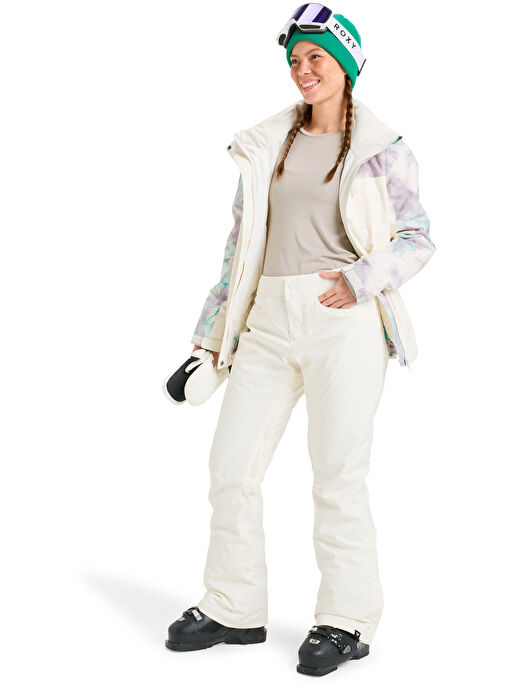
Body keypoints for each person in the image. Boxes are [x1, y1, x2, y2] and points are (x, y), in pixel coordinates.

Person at [165, 6, 436, 677]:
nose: (302, 69)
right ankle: (233, 606)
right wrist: (209, 340)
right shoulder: (265, 146)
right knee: (231, 467)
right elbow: (239, 249)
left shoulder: (384, 148)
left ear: (345, 64)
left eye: (316, 57)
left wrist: (360, 279)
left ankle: (346, 620)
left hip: (344, 321)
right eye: (294, 59)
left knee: (338, 472)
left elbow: (416, 238)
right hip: (265, 319)